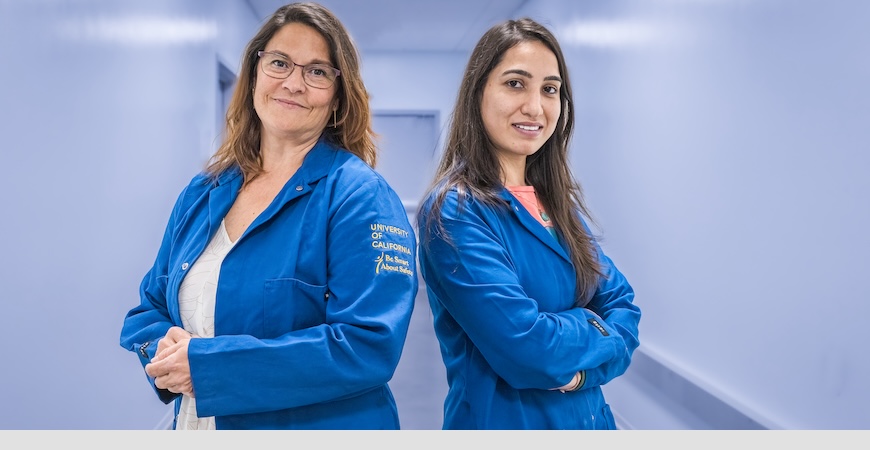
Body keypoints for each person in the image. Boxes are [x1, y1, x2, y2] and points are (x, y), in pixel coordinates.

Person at [120, 2, 417, 430]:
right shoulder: (204, 191)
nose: (293, 83)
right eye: (279, 63)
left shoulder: (361, 197)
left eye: (317, 71)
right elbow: (148, 307)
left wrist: (208, 367)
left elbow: (368, 345)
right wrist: (163, 353)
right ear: (255, 75)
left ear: (338, 96)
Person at [415, 17, 641, 430]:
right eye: (515, 83)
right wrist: (594, 327)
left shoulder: (558, 205)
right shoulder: (455, 212)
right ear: (478, 92)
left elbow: (624, 308)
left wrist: (579, 375)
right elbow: (529, 349)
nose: (535, 107)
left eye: (550, 89)